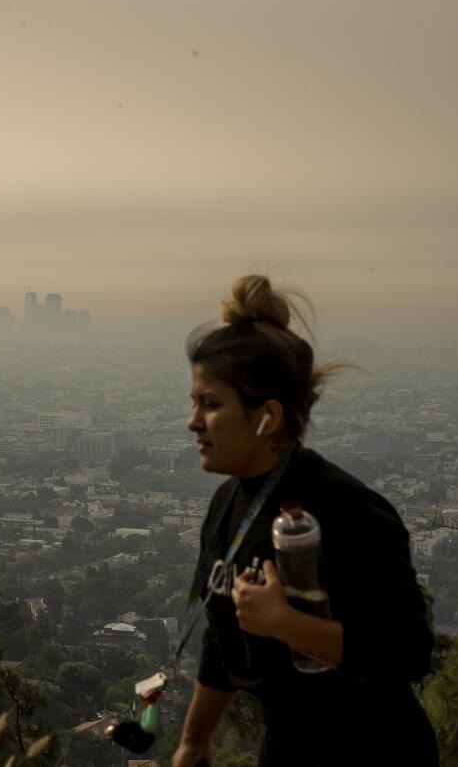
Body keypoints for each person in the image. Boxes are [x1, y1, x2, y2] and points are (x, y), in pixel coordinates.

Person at [171, 276, 437, 767]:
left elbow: (408, 652)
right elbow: (221, 630)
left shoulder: (347, 509)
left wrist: (285, 623)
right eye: (195, 403)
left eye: (210, 404)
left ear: (267, 416)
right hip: (287, 746)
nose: (193, 421)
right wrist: (194, 739)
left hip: (374, 748)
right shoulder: (227, 504)